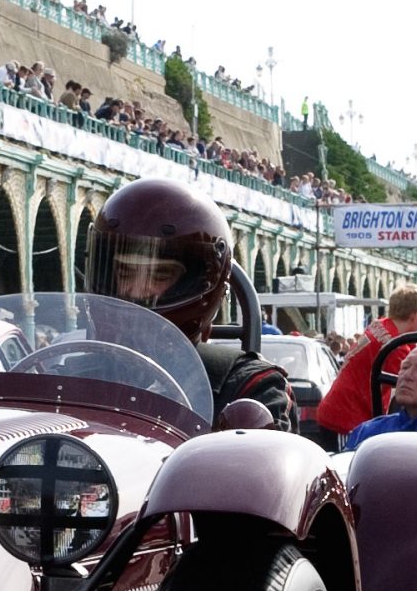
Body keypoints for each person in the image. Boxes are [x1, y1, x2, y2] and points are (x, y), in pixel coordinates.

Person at [85, 177, 294, 428]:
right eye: (126, 273)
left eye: (159, 275)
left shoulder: (250, 388)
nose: (137, 291)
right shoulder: (72, 376)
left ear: (196, 281)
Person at [313, 284, 417, 441]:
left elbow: (411, 347)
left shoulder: (380, 326)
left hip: (339, 409)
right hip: (347, 421)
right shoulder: (395, 348)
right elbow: (412, 388)